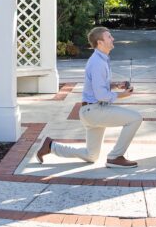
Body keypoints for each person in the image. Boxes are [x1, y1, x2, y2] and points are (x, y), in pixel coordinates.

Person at [35, 26, 140, 168]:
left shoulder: (101, 59)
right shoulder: (98, 62)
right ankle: (115, 157)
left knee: (91, 155)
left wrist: (117, 85)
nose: (113, 38)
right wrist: (122, 95)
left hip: (90, 111)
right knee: (135, 118)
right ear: (100, 42)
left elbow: (99, 86)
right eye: (109, 37)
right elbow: (101, 95)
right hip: (95, 111)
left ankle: (51, 146)